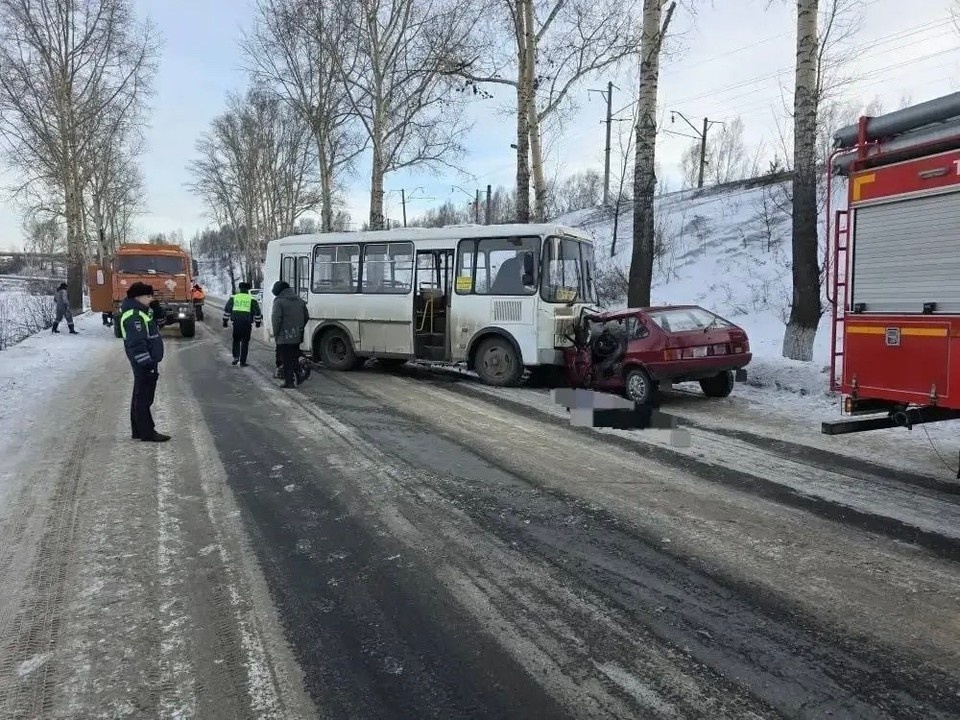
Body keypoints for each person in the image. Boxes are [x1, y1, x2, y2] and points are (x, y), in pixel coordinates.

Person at [119, 282, 170, 442]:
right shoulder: (134, 316)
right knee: (144, 397)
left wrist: (157, 309)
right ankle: (147, 432)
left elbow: (160, 324)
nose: (151, 299)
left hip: (147, 360)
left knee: (140, 394)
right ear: (137, 297)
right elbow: (136, 343)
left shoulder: (142, 313)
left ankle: (138, 430)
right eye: (148, 296)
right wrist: (147, 363)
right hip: (144, 362)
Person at [271, 280, 308, 388]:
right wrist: (299, 328)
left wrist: (276, 333)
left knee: (286, 359)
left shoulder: (279, 302)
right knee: (294, 357)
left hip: (284, 336)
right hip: (297, 335)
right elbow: (306, 316)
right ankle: (299, 375)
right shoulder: (300, 300)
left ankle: (289, 382)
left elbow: (276, 319)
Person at [222, 282, 262, 366]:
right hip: (247, 324)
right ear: (248, 289)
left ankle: (236, 357)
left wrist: (225, 321)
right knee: (245, 342)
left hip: (236, 323)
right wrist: (258, 322)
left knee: (236, 340)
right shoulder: (252, 299)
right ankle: (243, 362)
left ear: (240, 288)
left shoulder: (234, 297)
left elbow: (227, 310)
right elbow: (257, 312)